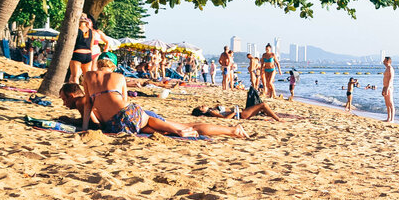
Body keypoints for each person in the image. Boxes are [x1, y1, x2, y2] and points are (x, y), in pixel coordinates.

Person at [76, 54, 248, 138]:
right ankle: (231, 130)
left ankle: (231, 131)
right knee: (184, 126)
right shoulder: (119, 77)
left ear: (99, 64)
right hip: (129, 115)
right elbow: (125, 103)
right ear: (112, 65)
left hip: (116, 125)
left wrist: (85, 128)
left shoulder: (88, 76)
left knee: (164, 130)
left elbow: (88, 105)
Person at [192, 102, 281, 121]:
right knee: (263, 105)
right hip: (242, 114)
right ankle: (278, 119)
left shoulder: (212, 109)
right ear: (202, 112)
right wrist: (235, 112)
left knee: (261, 107)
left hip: (242, 113)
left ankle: (274, 117)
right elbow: (225, 118)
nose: (203, 105)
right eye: (201, 107)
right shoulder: (211, 112)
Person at [382, 56, 395, 122]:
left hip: (389, 87)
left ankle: (392, 119)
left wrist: (387, 88)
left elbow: (390, 79)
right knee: (387, 104)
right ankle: (388, 118)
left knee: (390, 103)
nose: (383, 62)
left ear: (387, 61)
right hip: (385, 86)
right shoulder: (386, 68)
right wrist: (384, 88)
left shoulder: (390, 68)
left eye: (384, 60)